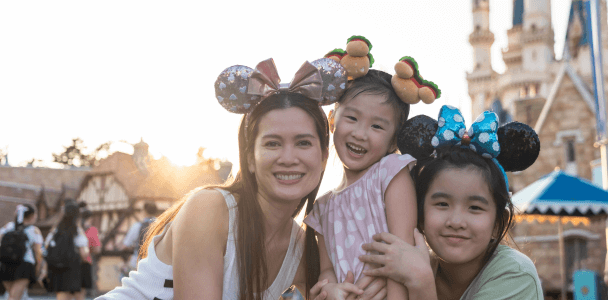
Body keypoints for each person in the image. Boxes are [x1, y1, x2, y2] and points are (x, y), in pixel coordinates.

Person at [98, 57, 373, 299]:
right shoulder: (211, 208)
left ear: (324, 156)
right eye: (272, 144)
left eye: (303, 143)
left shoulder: (301, 248)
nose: (288, 157)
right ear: (250, 159)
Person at [320, 105, 543, 300]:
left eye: (475, 208)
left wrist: (422, 283)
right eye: (442, 204)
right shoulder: (407, 264)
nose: (456, 221)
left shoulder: (515, 274)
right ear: (419, 213)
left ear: (498, 223)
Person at [304, 67, 419, 300]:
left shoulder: (390, 173)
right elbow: (327, 269)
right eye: (352, 118)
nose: (360, 133)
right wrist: (331, 289)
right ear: (333, 120)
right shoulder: (323, 207)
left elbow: (403, 253)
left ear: (393, 140)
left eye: (376, 126)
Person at [0, 204, 44, 300]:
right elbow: (38, 252)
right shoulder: (34, 230)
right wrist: (38, 268)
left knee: (12, 295)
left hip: (6, 263)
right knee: (14, 297)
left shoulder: (9, 226)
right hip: (24, 265)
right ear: (32, 216)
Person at [45, 200, 90, 300]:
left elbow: (47, 247)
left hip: (58, 269)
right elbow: (84, 254)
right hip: (74, 269)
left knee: (62, 297)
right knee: (79, 297)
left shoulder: (55, 231)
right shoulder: (77, 231)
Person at [121, 201, 158, 270]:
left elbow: (125, 246)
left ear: (144, 211)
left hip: (139, 264)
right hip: (156, 265)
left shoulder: (138, 226)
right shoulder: (162, 226)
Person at [79, 202, 101, 299]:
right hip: (86, 262)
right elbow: (97, 249)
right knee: (88, 292)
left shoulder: (74, 228)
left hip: (71, 263)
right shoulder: (92, 230)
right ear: (90, 217)